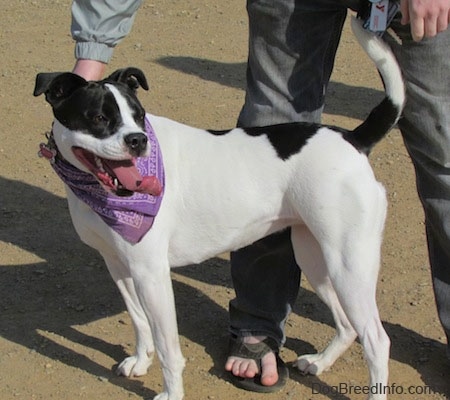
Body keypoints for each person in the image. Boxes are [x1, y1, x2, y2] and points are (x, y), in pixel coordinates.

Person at [70, 0, 450, 393]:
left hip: (327, 168)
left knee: (440, 160)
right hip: (294, 78)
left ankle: (378, 384)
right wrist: (90, 61)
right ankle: (299, 332)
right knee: (276, 118)